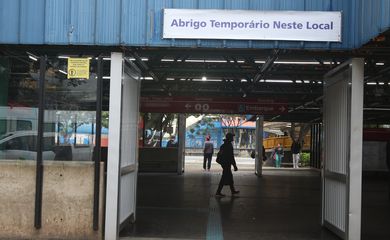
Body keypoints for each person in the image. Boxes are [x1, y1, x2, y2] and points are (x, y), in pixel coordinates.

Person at [215, 132, 239, 197]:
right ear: (230, 138)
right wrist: (234, 165)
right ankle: (218, 192)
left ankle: (232, 191)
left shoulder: (223, 146)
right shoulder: (229, 146)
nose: (233, 138)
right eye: (232, 137)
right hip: (227, 164)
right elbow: (231, 157)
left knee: (229, 177)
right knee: (224, 178)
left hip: (224, 164)